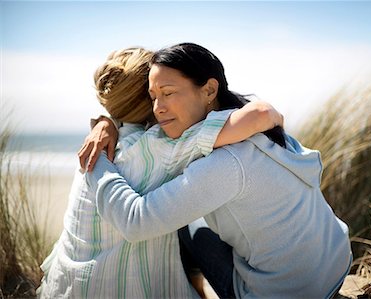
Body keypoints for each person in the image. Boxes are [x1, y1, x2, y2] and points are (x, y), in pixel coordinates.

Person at [85, 42, 352, 298]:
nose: (158, 108)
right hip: (336, 264)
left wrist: (97, 164)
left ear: (210, 90)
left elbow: (136, 222)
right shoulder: (254, 128)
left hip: (289, 292)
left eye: (168, 93)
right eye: (153, 97)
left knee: (180, 224)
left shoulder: (224, 163)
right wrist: (108, 121)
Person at [38, 46, 284, 299]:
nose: (159, 105)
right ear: (147, 98)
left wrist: (106, 121)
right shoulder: (161, 146)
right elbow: (261, 115)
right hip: (131, 290)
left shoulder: (98, 145)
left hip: (64, 285)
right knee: (191, 223)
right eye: (156, 94)